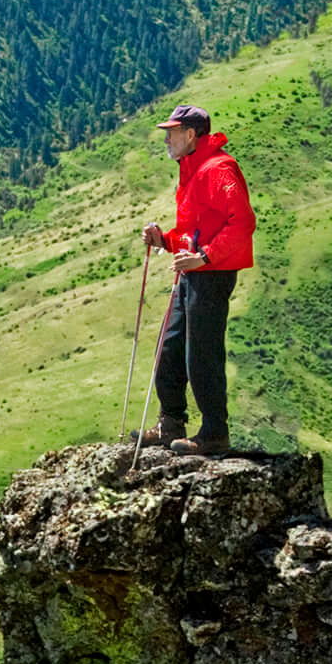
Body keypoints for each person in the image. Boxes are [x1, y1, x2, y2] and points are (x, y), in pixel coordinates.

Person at [141, 103, 253, 455]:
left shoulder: (219, 168)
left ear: (191, 135)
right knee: (170, 347)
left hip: (213, 274)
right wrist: (165, 240)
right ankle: (170, 423)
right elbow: (196, 232)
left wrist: (205, 257)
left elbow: (243, 222)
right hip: (194, 271)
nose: (167, 140)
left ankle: (215, 433)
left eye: (171, 133)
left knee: (201, 353)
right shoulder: (194, 168)